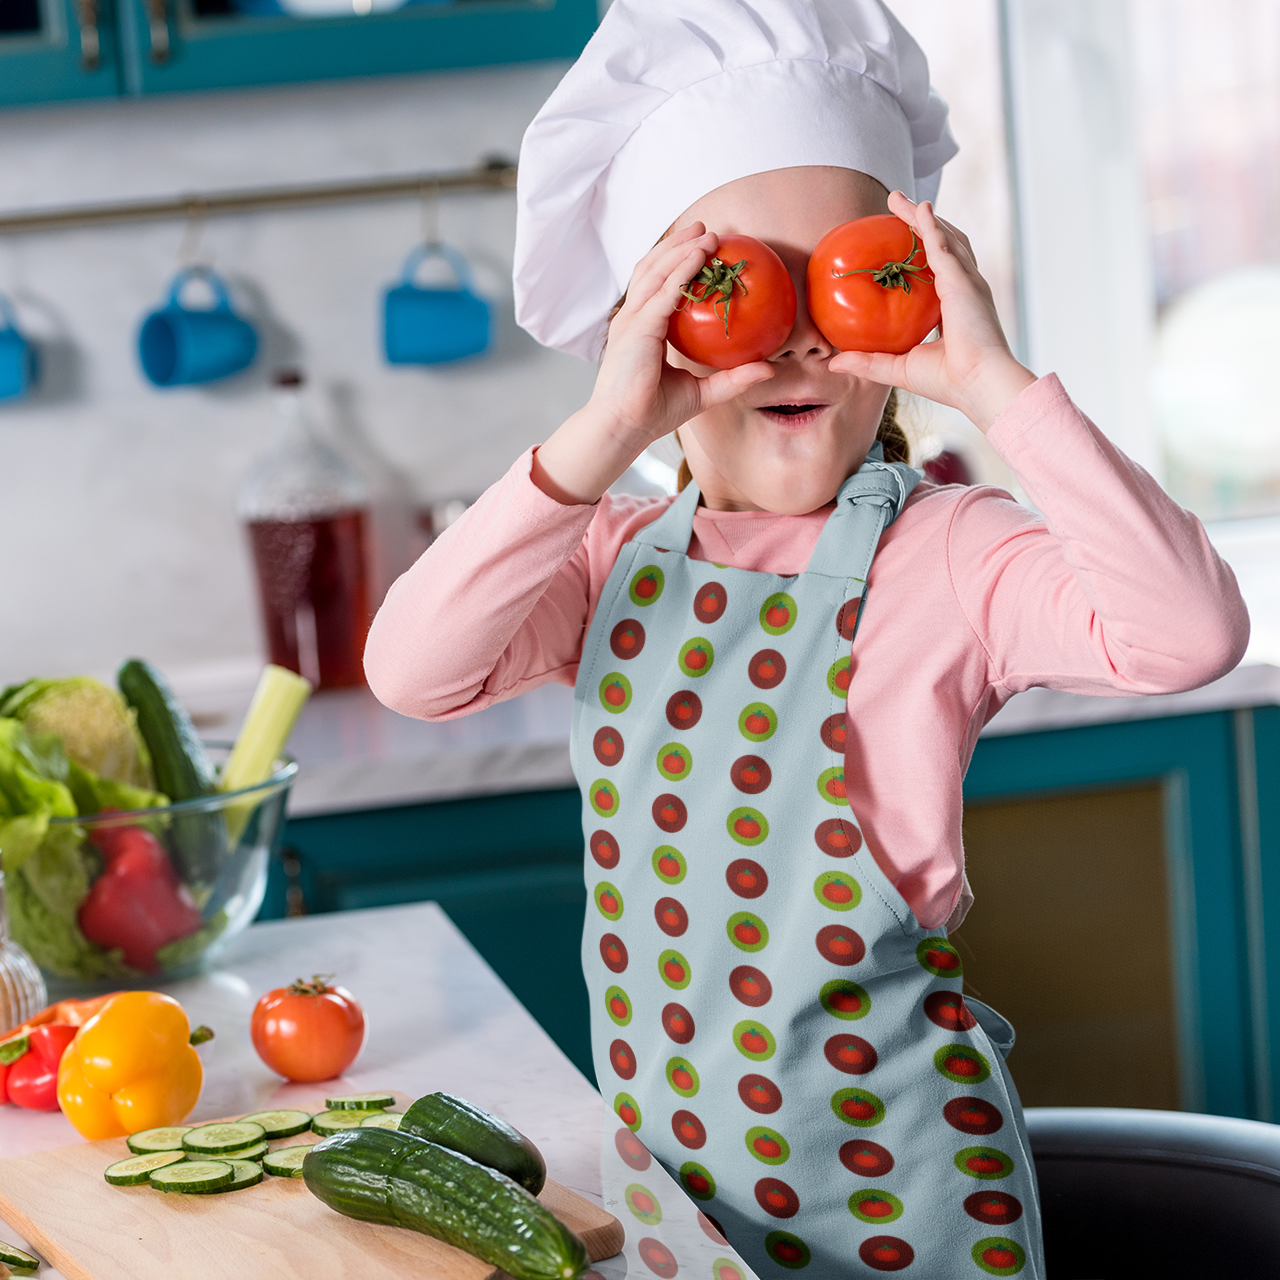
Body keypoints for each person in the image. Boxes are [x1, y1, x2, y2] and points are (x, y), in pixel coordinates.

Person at [364, 2, 1249, 1275]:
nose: (787, 337)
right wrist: (599, 434)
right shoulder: (612, 554)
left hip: (907, 1214)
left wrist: (993, 380)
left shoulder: (944, 552)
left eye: (845, 280)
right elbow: (411, 667)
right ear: (649, 321)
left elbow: (1189, 631)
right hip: (672, 1202)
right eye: (735, 283)